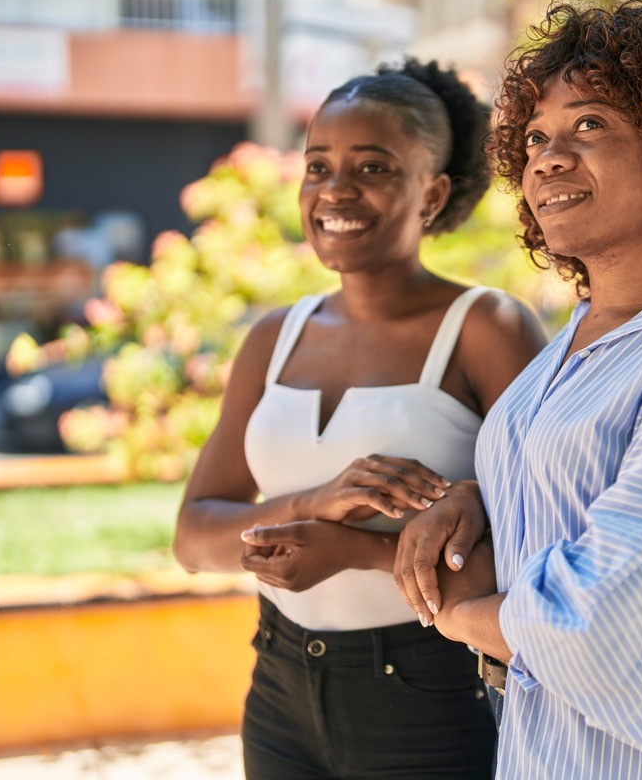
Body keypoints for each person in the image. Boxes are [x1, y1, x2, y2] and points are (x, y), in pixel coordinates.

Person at [394, 0, 642, 779]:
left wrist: (454, 618)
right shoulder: (582, 337)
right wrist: (482, 495)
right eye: (536, 138)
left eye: (589, 126)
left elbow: (607, 618)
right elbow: (574, 483)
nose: (547, 158)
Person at [173, 58, 547, 779]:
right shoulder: (272, 340)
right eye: (318, 167)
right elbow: (194, 537)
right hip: (281, 682)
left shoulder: (485, 329)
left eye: (372, 168)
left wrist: (354, 551)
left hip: (434, 687)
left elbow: (541, 543)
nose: (335, 190)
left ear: (431, 193)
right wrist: (312, 506)